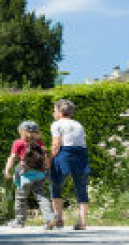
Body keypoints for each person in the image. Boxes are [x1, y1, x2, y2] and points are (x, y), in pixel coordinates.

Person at [4, 120, 56, 229]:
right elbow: (45, 158)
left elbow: (12, 157)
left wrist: (7, 170)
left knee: (20, 198)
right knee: (41, 197)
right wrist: (47, 168)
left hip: (25, 175)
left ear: (22, 132)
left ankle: (19, 221)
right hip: (39, 174)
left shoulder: (18, 143)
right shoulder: (39, 143)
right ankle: (49, 219)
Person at [50, 98, 91, 230]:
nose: (53, 113)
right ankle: (82, 222)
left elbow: (56, 145)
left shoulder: (56, 124)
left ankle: (59, 219)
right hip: (81, 154)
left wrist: (50, 159)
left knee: (55, 185)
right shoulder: (79, 124)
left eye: (54, 110)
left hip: (65, 153)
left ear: (61, 111)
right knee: (81, 188)